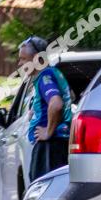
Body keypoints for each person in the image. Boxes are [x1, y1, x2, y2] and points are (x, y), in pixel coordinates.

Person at [20, 35, 72, 182]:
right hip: (58, 145)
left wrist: (48, 132)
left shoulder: (44, 76)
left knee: (44, 194)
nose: (20, 63)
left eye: (23, 59)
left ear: (36, 58)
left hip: (50, 147)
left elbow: (56, 104)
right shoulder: (54, 73)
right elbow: (70, 97)